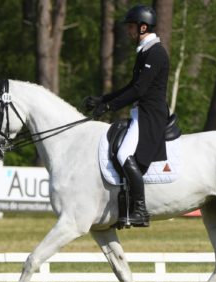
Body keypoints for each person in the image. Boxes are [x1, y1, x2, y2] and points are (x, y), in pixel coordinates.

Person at [84, 5, 170, 227]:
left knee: (123, 154)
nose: (128, 31)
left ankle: (140, 210)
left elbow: (139, 90)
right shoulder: (144, 51)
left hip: (151, 115)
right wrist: (103, 99)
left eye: (131, 27)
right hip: (142, 113)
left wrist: (110, 106)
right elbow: (132, 86)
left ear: (143, 27)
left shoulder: (156, 52)